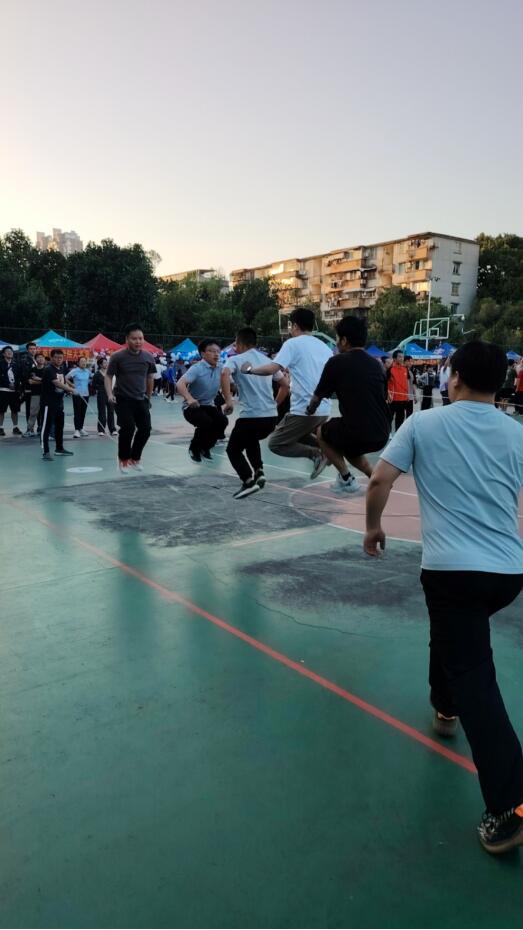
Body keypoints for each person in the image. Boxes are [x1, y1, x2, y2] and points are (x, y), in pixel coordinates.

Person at [364, 341, 523, 855]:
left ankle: (510, 807)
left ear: (453, 379)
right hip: (507, 573)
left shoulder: (423, 424)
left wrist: (373, 527)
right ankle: (444, 705)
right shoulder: (517, 431)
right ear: (500, 384)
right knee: (454, 640)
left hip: (454, 574)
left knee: (475, 675)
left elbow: (380, 479)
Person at [240, 307, 332, 479]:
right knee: (300, 434)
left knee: (276, 443)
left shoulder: (292, 344)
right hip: (324, 408)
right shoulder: (324, 347)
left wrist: (250, 370)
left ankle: (317, 454)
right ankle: (328, 451)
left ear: (294, 325)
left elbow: (273, 368)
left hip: (304, 409)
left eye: (290, 326)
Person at [305, 316, 390, 493]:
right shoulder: (377, 365)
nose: (336, 343)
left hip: (358, 431)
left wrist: (309, 411)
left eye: (337, 339)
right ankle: (377, 479)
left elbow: (316, 398)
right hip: (382, 432)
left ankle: (346, 479)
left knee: (322, 432)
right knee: (349, 448)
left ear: (344, 340)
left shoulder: (336, 362)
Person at [221, 327, 278, 498]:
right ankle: (259, 472)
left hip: (251, 416)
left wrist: (228, 401)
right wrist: (275, 404)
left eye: (235, 344)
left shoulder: (235, 359)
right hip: (271, 418)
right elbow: (284, 384)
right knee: (251, 439)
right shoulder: (267, 361)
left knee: (233, 450)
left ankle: (247, 481)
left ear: (239, 343)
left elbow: (224, 373)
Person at [105, 323, 156, 474]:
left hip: (141, 399)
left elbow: (150, 378)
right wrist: (110, 394)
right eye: (134, 338)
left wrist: (148, 397)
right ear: (127, 339)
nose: (138, 341)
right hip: (122, 399)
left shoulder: (148, 357)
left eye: (140, 338)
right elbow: (108, 376)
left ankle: (135, 458)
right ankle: (123, 459)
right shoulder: (117, 357)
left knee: (145, 429)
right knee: (128, 428)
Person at [177, 340, 228, 463]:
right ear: (203, 354)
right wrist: (189, 398)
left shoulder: (221, 367)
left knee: (222, 421)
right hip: (192, 406)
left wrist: (229, 401)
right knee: (206, 422)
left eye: (218, 351)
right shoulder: (197, 368)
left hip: (208, 405)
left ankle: (205, 448)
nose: (216, 354)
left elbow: (226, 383)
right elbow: (180, 383)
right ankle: (194, 448)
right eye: (212, 351)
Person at [40, 349, 75, 460]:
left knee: (60, 426)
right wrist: (71, 389)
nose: (59, 360)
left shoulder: (61, 368)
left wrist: (70, 387)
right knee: (46, 427)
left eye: (61, 357)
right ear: (51, 358)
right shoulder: (48, 369)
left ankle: (59, 448)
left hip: (59, 403)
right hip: (48, 403)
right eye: (56, 357)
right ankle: (45, 452)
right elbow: (56, 382)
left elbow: (63, 380)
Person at [0, 345, 23, 436]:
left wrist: (16, 385)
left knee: (15, 410)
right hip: (3, 390)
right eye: (7, 351)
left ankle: (15, 427)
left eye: (11, 351)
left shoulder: (16, 364)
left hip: (14, 391)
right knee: (1, 410)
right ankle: (0, 428)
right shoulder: (0, 364)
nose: (10, 352)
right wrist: (8, 384)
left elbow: (19, 376)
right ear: (3, 354)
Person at [66, 356, 92, 438]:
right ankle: (76, 430)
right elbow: (65, 378)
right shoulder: (74, 371)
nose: (84, 363)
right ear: (78, 363)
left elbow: (91, 378)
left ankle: (81, 428)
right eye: (82, 361)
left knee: (83, 412)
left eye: (85, 361)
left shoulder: (87, 371)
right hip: (77, 394)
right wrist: (71, 385)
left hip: (86, 394)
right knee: (77, 412)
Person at [92, 357, 116, 436]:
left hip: (110, 394)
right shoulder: (97, 374)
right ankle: (101, 430)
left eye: (107, 362)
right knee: (102, 412)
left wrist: (113, 394)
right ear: (100, 365)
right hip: (101, 395)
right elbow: (93, 385)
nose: (106, 364)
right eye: (104, 363)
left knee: (111, 412)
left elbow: (114, 383)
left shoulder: (110, 374)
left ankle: (112, 429)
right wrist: (100, 388)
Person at [24, 351, 46, 436]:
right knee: (33, 412)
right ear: (35, 359)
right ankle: (30, 430)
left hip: (45, 394)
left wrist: (38, 379)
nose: (40, 359)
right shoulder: (32, 370)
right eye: (38, 357)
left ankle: (42, 429)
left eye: (42, 357)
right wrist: (42, 381)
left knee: (44, 413)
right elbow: (30, 381)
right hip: (35, 394)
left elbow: (48, 382)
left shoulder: (47, 369)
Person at [387, 350, 409, 431]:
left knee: (400, 418)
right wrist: (388, 395)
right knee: (389, 418)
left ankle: (398, 434)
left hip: (403, 399)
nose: (402, 358)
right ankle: (388, 433)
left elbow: (406, 383)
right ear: (394, 358)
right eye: (399, 357)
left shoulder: (405, 369)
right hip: (393, 399)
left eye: (402, 357)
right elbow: (385, 383)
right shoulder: (390, 369)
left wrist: (407, 396)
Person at [21, 342, 38, 433]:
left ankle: (38, 428)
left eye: (34, 349)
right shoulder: (25, 360)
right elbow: (24, 375)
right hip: (29, 388)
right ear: (27, 350)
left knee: (38, 409)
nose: (33, 350)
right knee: (30, 409)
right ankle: (29, 429)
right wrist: (28, 382)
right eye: (31, 349)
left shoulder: (37, 359)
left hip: (38, 388)